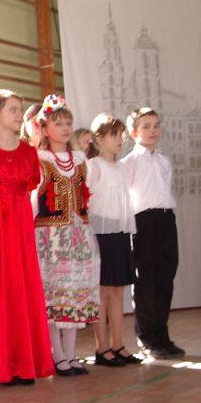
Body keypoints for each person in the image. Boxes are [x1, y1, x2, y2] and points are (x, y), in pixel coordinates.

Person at [0, 89, 54, 385]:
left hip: (19, 224)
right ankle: (0, 364)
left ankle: (24, 362)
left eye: (19, 109)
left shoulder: (29, 152)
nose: (19, 115)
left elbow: (30, 189)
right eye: (12, 110)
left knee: (21, 287)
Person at [33, 94, 99, 377]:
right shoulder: (40, 160)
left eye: (67, 123)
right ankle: (57, 354)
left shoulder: (81, 160)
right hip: (50, 237)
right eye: (57, 123)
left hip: (78, 235)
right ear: (44, 128)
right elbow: (32, 202)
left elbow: (88, 196)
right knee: (54, 295)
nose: (64, 128)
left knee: (74, 295)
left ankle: (71, 354)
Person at [121, 107, 184, 359]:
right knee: (145, 279)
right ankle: (147, 339)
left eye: (156, 126)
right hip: (143, 221)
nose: (152, 131)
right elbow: (125, 197)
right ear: (133, 132)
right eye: (146, 126)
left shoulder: (163, 161)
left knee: (165, 277)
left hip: (165, 219)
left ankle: (162, 336)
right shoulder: (129, 163)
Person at [85, 113, 141, 366]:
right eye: (114, 135)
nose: (120, 139)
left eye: (121, 134)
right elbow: (86, 201)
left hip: (118, 232)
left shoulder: (121, 167)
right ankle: (102, 347)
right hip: (100, 233)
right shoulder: (93, 166)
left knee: (118, 290)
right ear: (99, 139)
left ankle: (118, 344)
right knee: (103, 291)